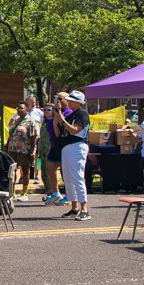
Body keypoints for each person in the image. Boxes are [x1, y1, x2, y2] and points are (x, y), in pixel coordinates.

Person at [54, 90, 90, 220]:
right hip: (67, 147)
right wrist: (57, 115)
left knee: (77, 177)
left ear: (78, 103)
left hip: (77, 146)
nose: (67, 102)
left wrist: (62, 119)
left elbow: (75, 130)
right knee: (68, 179)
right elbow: (59, 133)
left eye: (70, 100)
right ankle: (74, 207)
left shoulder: (82, 114)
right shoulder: (70, 115)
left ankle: (84, 209)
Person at [5, 94, 41, 192]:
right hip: (12, 149)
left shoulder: (30, 122)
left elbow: (33, 138)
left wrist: (32, 151)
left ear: (27, 110)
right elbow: (11, 134)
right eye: (18, 108)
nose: (19, 110)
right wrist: (7, 145)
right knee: (12, 170)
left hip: (24, 150)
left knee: (25, 170)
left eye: (21, 108)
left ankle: (24, 192)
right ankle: (11, 191)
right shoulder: (16, 120)